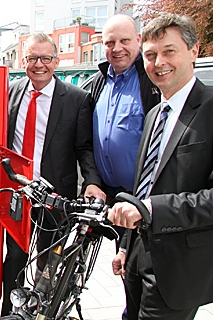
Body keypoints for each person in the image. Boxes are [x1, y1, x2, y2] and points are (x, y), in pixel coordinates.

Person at [108, 12, 213, 319]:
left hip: (179, 265)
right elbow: (144, 185)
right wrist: (127, 246)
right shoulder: (155, 114)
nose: (158, 63)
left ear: (193, 51)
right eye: (151, 55)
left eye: (169, 51)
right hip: (138, 257)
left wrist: (151, 210)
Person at [1, 32, 105, 315]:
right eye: (32, 58)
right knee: (14, 257)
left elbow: (84, 148)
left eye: (45, 58)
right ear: (23, 61)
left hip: (55, 194)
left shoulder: (77, 99)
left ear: (56, 61)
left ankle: (41, 310)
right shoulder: (10, 92)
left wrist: (92, 183)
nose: (39, 64)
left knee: (48, 261)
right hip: (18, 192)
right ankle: (10, 311)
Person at [91, 14, 161, 319]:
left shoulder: (151, 81)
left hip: (146, 200)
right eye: (109, 42)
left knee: (146, 276)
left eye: (124, 41)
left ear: (139, 41)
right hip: (114, 198)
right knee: (124, 269)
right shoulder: (97, 83)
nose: (116, 48)